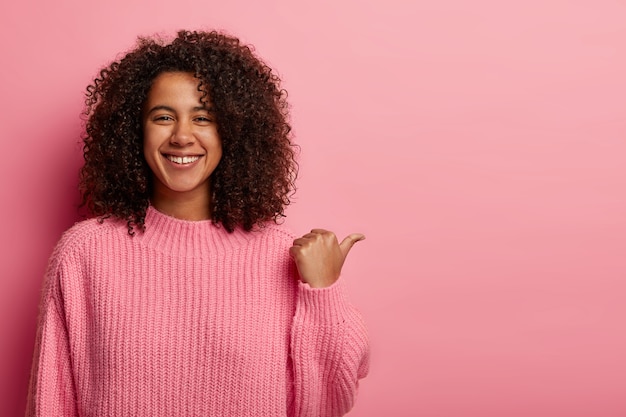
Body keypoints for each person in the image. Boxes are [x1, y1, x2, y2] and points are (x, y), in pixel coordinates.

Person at [26, 30, 369, 417]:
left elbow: (328, 405)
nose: (182, 136)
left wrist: (322, 292)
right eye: (163, 117)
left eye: (203, 117)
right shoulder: (85, 253)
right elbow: (51, 403)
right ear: (134, 131)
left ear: (233, 132)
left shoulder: (282, 254)